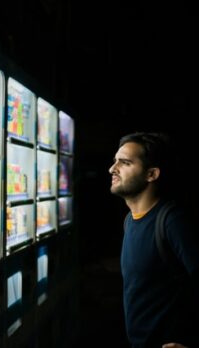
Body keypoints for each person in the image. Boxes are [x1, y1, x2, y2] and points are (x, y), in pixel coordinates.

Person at [109, 132, 199, 348]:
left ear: (151, 174)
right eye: (114, 162)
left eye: (125, 162)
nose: (112, 169)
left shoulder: (172, 221)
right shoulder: (129, 221)